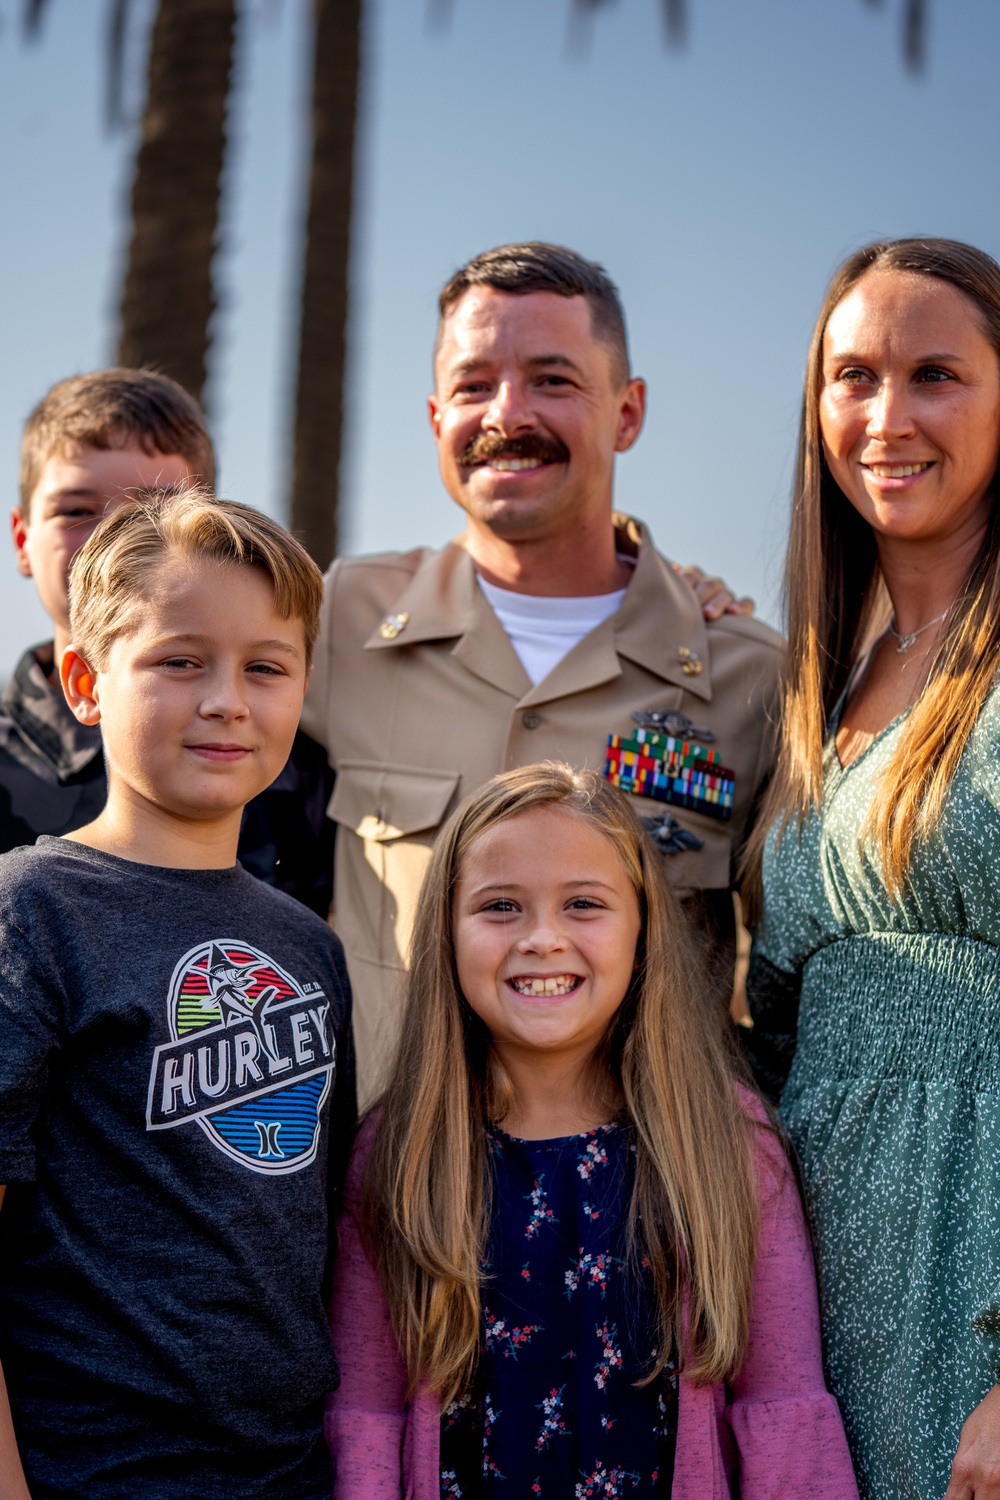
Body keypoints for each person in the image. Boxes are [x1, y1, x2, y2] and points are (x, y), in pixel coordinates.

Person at [302, 242, 783, 1095]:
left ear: (628, 412)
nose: (506, 413)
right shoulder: (338, 620)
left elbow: (790, 983)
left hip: (650, 1210)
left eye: (553, 380)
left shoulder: (747, 674)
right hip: (392, 1199)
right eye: (473, 385)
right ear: (433, 415)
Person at [326, 763, 857, 1498]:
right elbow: (366, 1417)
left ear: (643, 928)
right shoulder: (399, 1152)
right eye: (500, 906)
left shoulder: (726, 1139)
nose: (543, 938)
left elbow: (783, 1402)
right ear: (445, 934)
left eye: (583, 904)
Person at [0, 490, 355, 1499]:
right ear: (85, 679)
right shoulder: (33, 911)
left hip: (288, 1475)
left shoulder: (306, 946)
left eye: (265, 668)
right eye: (179, 660)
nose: (227, 701)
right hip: (94, 1475)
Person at [741, 238, 1000, 1500]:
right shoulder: (810, 687)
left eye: (935, 374)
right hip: (814, 1293)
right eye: (852, 377)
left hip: (978, 1294)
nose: (885, 418)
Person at [5, 367, 335, 913]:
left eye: (151, 512)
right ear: (22, 538)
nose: (112, 536)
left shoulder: (292, 769)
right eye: (77, 511)